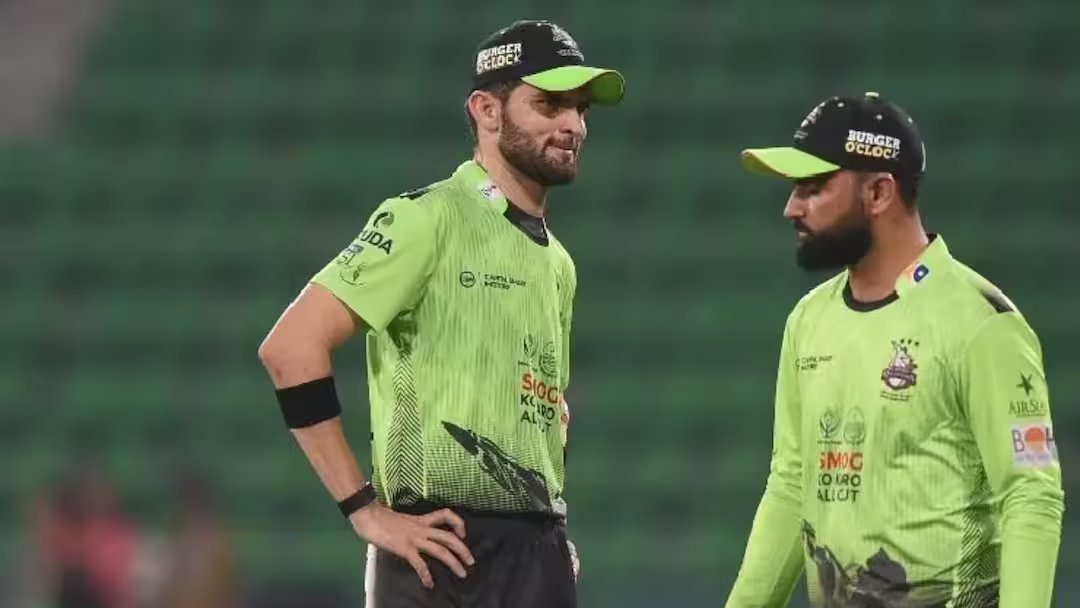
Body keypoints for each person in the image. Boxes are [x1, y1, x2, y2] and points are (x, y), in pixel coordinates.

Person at [257, 19, 623, 608]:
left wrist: (547, 528)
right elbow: (291, 348)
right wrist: (363, 510)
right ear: (487, 110)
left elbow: (548, 412)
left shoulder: (558, 263)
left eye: (580, 109)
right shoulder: (426, 219)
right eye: (549, 105)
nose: (573, 125)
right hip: (438, 554)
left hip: (536, 558)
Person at [725, 92, 1063, 607]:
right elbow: (792, 484)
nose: (792, 207)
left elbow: (1030, 495)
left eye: (813, 188)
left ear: (880, 192)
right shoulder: (809, 320)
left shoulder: (982, 325)